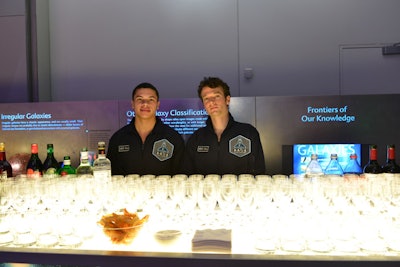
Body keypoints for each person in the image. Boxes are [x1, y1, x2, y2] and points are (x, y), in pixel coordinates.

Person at [182, 77, 266, 176]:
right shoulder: (196, 138)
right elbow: (188, 176)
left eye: (217, 96)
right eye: (206, 98)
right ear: (203, 104)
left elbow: (259, 173)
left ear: (227, 100)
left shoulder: (249, 133)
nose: (212, 102)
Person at [107, 82, 185, 176]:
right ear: (133, 104)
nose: (145, 104)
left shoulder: (173, 138)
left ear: (158, 104)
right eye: (140, 99)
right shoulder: (118, 139)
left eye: (151, 100)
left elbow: (181, 176)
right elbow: (111, 175)